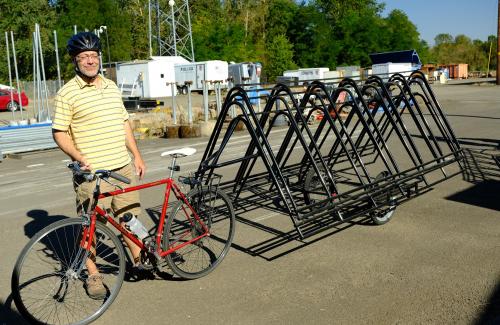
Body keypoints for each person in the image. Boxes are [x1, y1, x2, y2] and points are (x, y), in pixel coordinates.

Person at [52, 32, 147, 299]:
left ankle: (139, 260)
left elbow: (124, 123)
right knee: (89, 228)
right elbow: (59, 132)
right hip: (92, 174)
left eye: (94, 56)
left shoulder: (111, 86)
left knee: (129, 217)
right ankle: (93, 274)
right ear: (75, 60)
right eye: (84, 57)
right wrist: (78, 156)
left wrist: (136, 155)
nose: (90, 61)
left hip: (122, 168)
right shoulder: (66, 93)